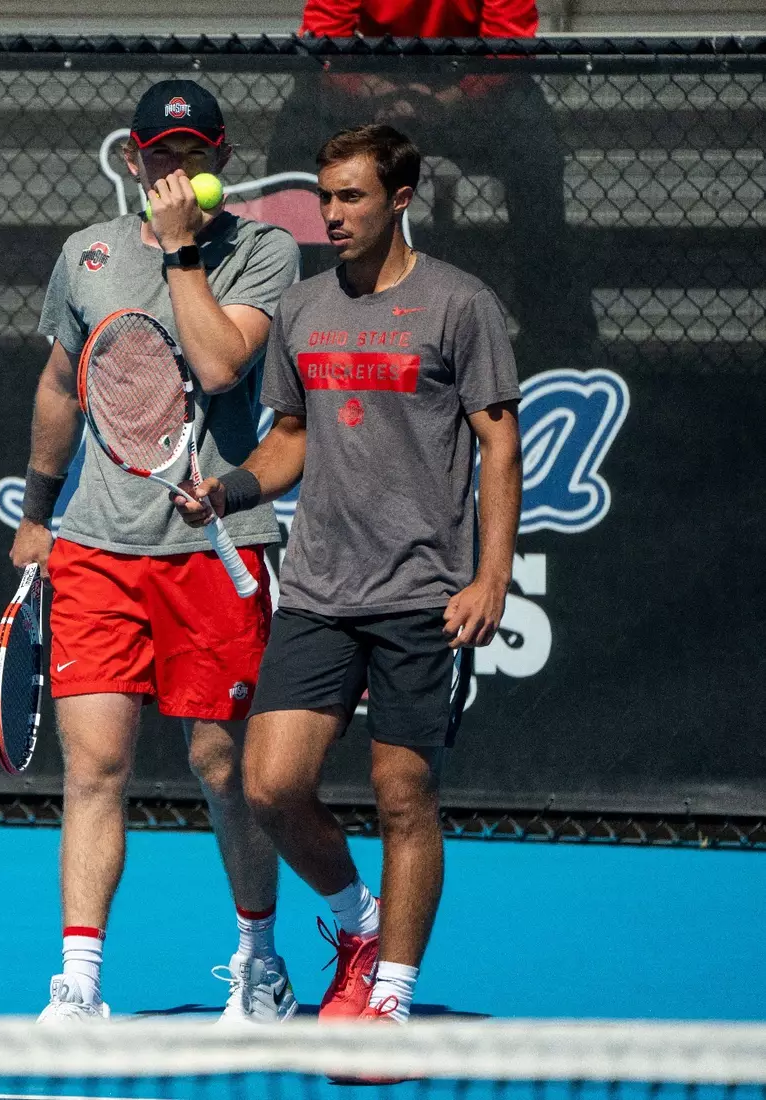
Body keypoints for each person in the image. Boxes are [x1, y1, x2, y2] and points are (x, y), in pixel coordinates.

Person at [178, 125, 522, 1023]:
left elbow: (498, 443)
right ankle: (356, 922)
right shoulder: (302, 309)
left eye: (352, 197)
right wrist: (234, 486)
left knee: (405, 795)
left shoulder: (459, 304)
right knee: (269, 785)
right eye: (326, 197)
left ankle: (394, 996)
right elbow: (291, 437)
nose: (331, 214)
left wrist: (491, 578)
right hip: (321, 590)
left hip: (421, 593)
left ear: (399, 198)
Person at [10, 79, 300, 1024]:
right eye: (160, 155)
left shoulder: (262, 250)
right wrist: (39, 509)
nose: (177, 169)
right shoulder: (84, 256)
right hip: (97, 550)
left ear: (221, 162)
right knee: (93, 768)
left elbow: (221, 366)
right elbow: (62, 385)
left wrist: (181, 254)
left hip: (216, 551)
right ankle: (81, 983)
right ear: (135, 160)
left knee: (225, 769)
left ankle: (260, 960)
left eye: (195, 154)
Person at [268, 0, 597, 365]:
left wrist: (454, 97)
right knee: (294, 139)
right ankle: (276, 320)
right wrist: (371, 88)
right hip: (371, 70)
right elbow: (323, 35)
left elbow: (510, 41)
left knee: (535, 147)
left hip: (465, 71)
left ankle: (557, 345)